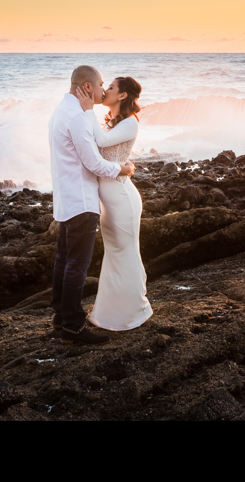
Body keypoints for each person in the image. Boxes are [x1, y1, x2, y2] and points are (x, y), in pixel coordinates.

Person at [49, 65, 135, 345]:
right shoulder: (78, 117)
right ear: (87, 87)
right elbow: (93, 162)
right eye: (100, 85)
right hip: (82, 201)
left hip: (66, 197)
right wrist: (122, 169)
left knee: (64, 260)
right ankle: (73, 327)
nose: (102, 90)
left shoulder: (62, 110)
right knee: (77, 265)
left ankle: (61, 317)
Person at [74, 76, 153, 331]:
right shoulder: (110, 123)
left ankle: (131, 314)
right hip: (109, 200)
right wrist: (123, 166)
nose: (105, 90)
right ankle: (108, 315)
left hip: (122, 199)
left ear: (122, 96)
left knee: (125, 253)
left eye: (110, 87)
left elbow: (102, 143)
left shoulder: (130, 123)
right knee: (114, 254)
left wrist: (87, 110)